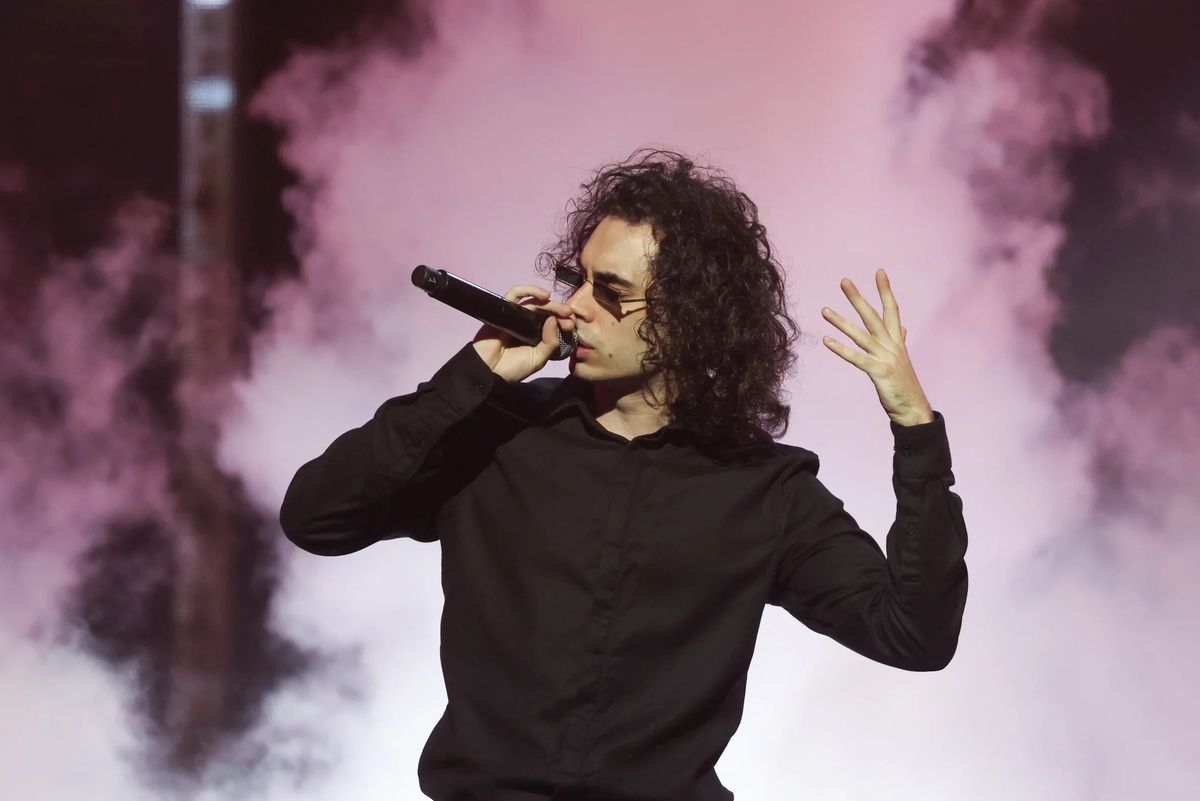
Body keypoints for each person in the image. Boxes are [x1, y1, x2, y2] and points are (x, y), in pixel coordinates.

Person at [279, 149, 969, 801]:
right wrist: (470, 378)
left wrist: (915, 428)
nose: (575, 306)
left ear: (691, 318)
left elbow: (914, 635)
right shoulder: (492, 433)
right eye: (578, 279)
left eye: (610, 292)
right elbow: (315, 519)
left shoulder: (763, 488)